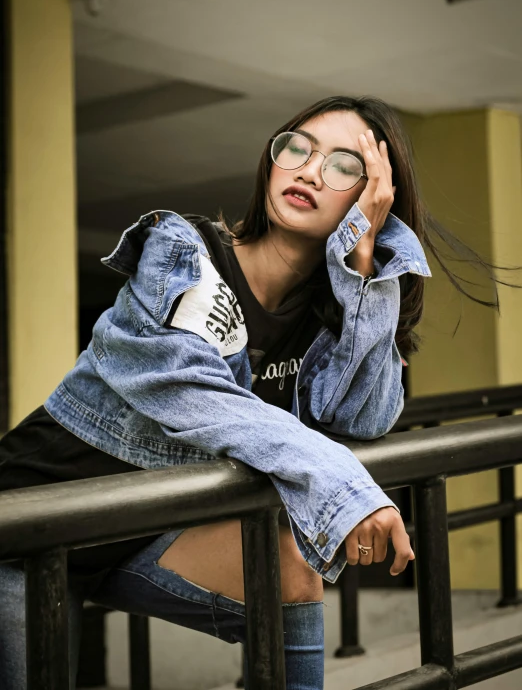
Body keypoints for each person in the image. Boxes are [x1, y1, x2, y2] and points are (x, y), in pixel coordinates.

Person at [0, 96, 504, 689]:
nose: (311, 170)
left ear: (373, 199)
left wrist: (363, 268)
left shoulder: (328, 313)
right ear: (272, 161)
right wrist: (345, 489)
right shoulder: (182, 252)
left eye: (345, 166)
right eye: (298, 148)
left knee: (291, 566)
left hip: (141, 532)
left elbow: (365, 419)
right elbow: (191, 392)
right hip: (30, 528)